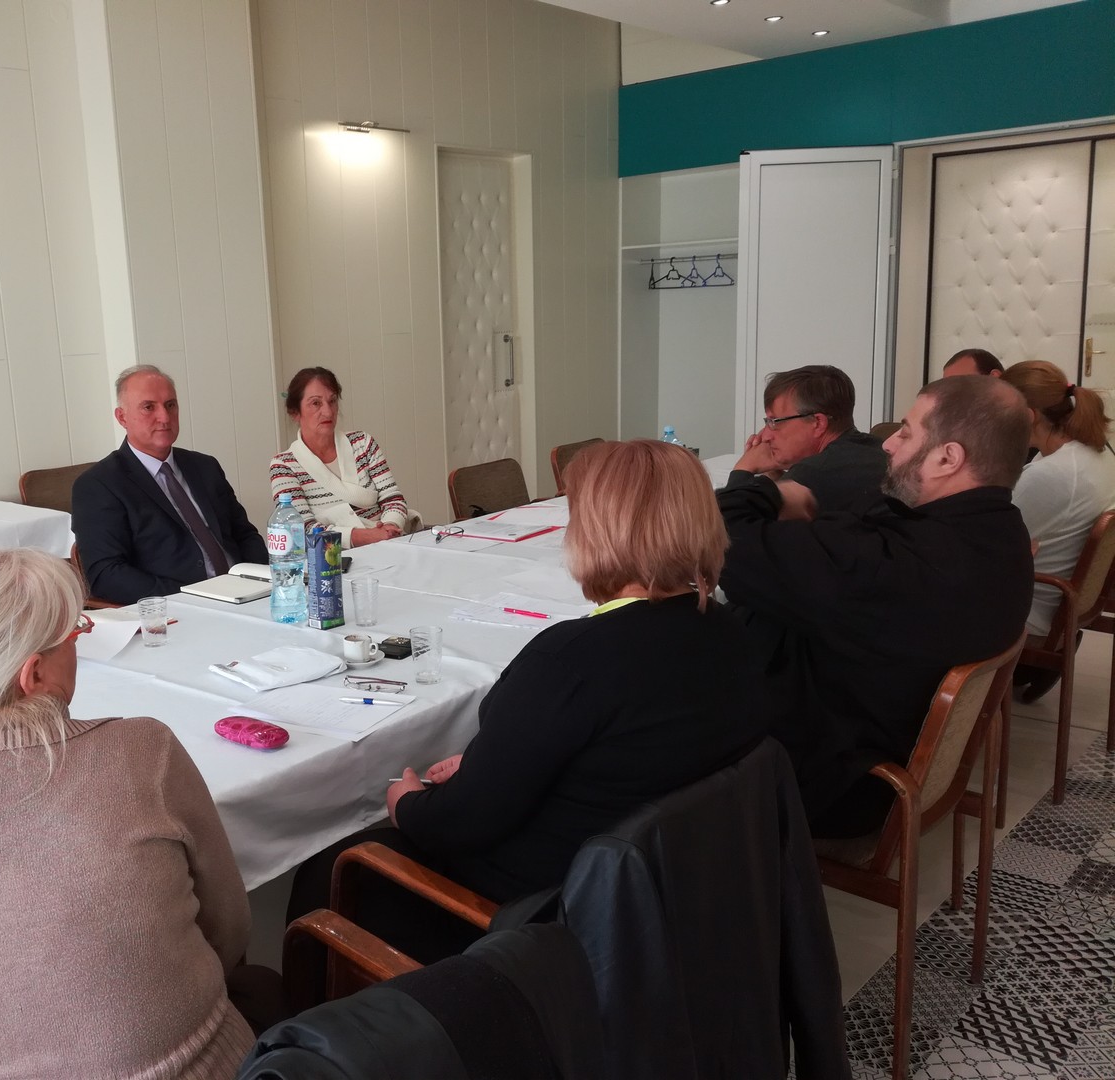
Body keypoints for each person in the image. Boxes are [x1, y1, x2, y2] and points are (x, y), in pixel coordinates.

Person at [288, 440, 766, 958]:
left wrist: (407, 805)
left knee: (329, 868)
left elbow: (460, 823)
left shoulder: (571, 660)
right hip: (671, 895)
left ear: (594, 533)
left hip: (542, 923)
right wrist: (486, 761)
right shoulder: (731, 632)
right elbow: (621, 748)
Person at [0, 548, 272, 1079]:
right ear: (34, 674)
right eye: (76, 635)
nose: (80, 646)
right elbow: (228, 924)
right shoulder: (142, 750)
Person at [718, 375, 1033, 837]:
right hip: (889, 739)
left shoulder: (895, 565)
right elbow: (862, 539)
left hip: (839, 783)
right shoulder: (1003, 536)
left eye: (905, 432)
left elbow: (721, 538)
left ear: (948, 458)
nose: (888, 444)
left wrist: (760, 486)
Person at [72, 365, 267, 602]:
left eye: (170, 405)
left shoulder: (205, 466)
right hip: (178, 607)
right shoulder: (99, 485)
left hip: (247, 595)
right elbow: (106, 574)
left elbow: (245, 535)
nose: (164, 417)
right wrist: (190, 595)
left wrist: (259, 580)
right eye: (148, 407)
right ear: (122, 417)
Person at [1003, 360, 1115, 653]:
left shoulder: (1051, 474)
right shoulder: (1097, 453)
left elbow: (988, 545)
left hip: (1030, 611)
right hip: (1061, 601)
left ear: (1028, 415)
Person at [268, 367, 417, 547]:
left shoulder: (362, 443)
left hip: (389, 543)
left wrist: (390, 526)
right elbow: (301, 530)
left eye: (332, 401)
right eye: (316, 403)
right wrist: (365, 537)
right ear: (295, 412)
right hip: (330, 558)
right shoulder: (284, 466)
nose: (328, 412)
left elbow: (393, 499)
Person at [731, 365, 888, 513]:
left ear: (817, 423)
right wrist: (773, 474)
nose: (765, 436)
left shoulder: (815, 471)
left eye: (774, 422)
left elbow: (736, 520)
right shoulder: (875, 447)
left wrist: (743, 469)